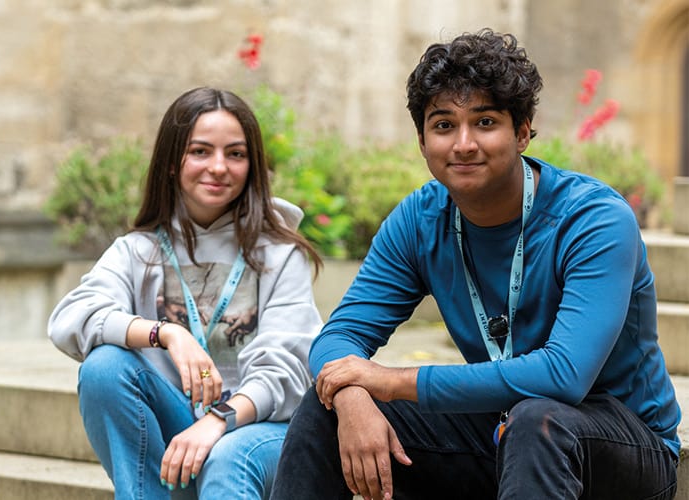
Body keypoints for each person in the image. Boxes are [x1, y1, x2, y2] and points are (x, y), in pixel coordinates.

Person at [270, 29, 681, 500]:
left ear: (523, 130)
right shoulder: (421, 220)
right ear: (423, 142)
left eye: (485, 122)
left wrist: (391, 381)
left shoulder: (593, 219)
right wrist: (351, 394)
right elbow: (339, 338)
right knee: (325, 409)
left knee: (538, 419)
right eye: (444, 125)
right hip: (499, 433)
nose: (463, 144)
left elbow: (563, 375)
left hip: (621, 445)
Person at [48, 87, 324, 499]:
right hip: (179, 431)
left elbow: (288, 370)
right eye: (200, 151)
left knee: (228, 456)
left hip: (259, 430)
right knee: (104, 367)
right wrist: (167, 334)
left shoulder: (280, 254)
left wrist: (218, 420)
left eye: (235, 154)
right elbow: (70, 318)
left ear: (251, 166)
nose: (218, 167)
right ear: (173, 162)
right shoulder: (137, 251)